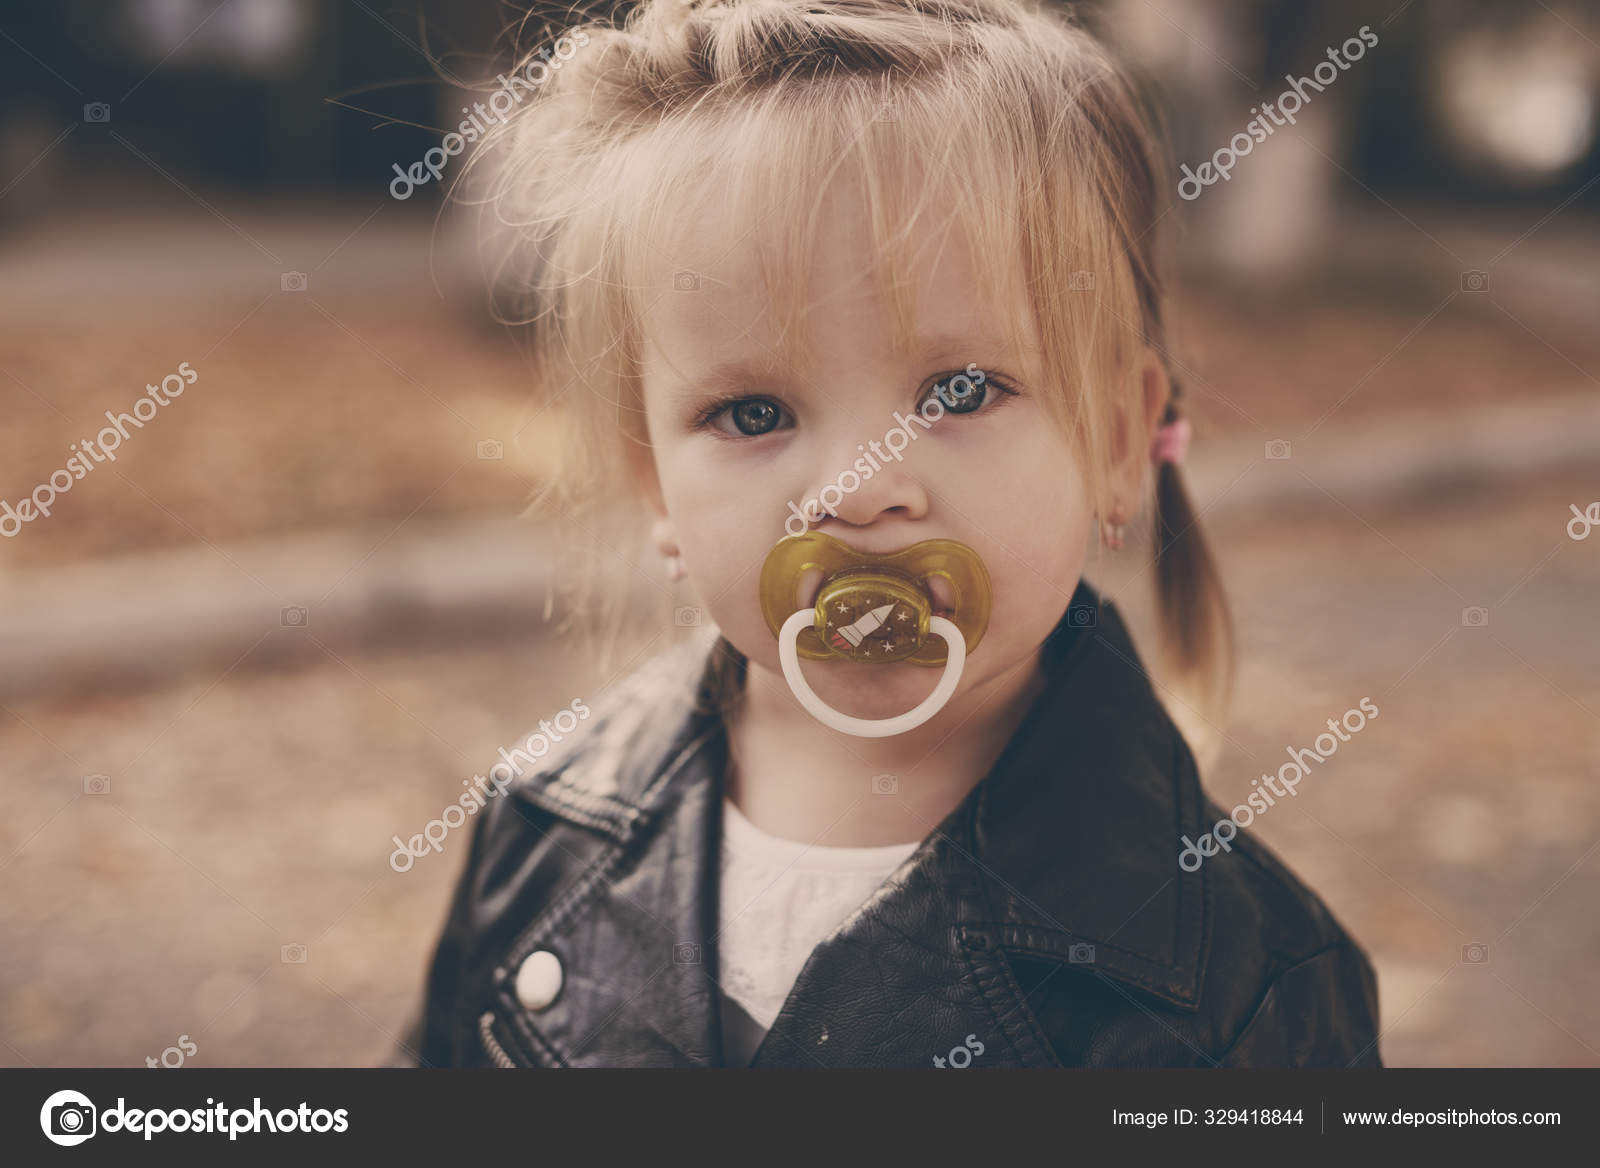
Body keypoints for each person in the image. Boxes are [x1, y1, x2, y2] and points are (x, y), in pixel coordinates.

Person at [393, 0, 1380, 1068]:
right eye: (753, 413)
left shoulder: (1244, 977)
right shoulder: (547, 824)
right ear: (658, 488)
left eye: (958, 390)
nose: (857, 496)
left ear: (1115, 438)